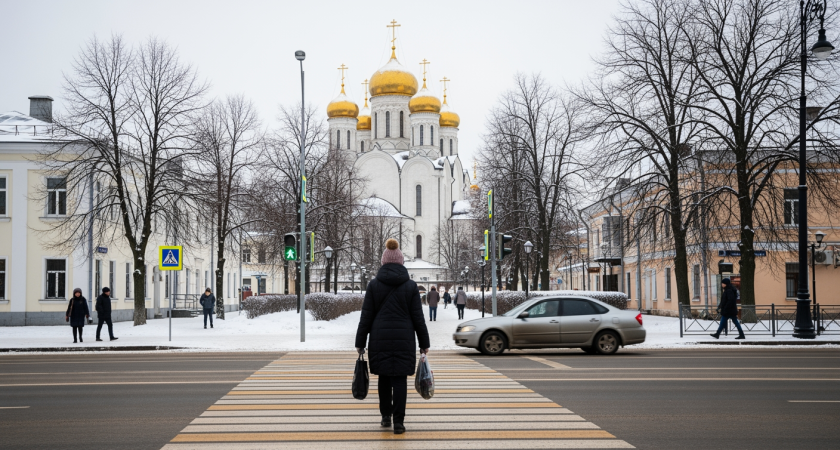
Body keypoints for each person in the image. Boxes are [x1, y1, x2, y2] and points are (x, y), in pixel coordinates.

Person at [355, 238, 430, 435]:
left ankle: (385, 416)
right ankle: (399, 422)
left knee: (384, 379)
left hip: (379, 339)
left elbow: (366, 316)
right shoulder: (411, 286)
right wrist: (424, 343)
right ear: (401, 262)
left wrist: (360, 342)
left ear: (383, 262)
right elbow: (418, 317)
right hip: (404, 339)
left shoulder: (373, 285)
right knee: (400, 381)